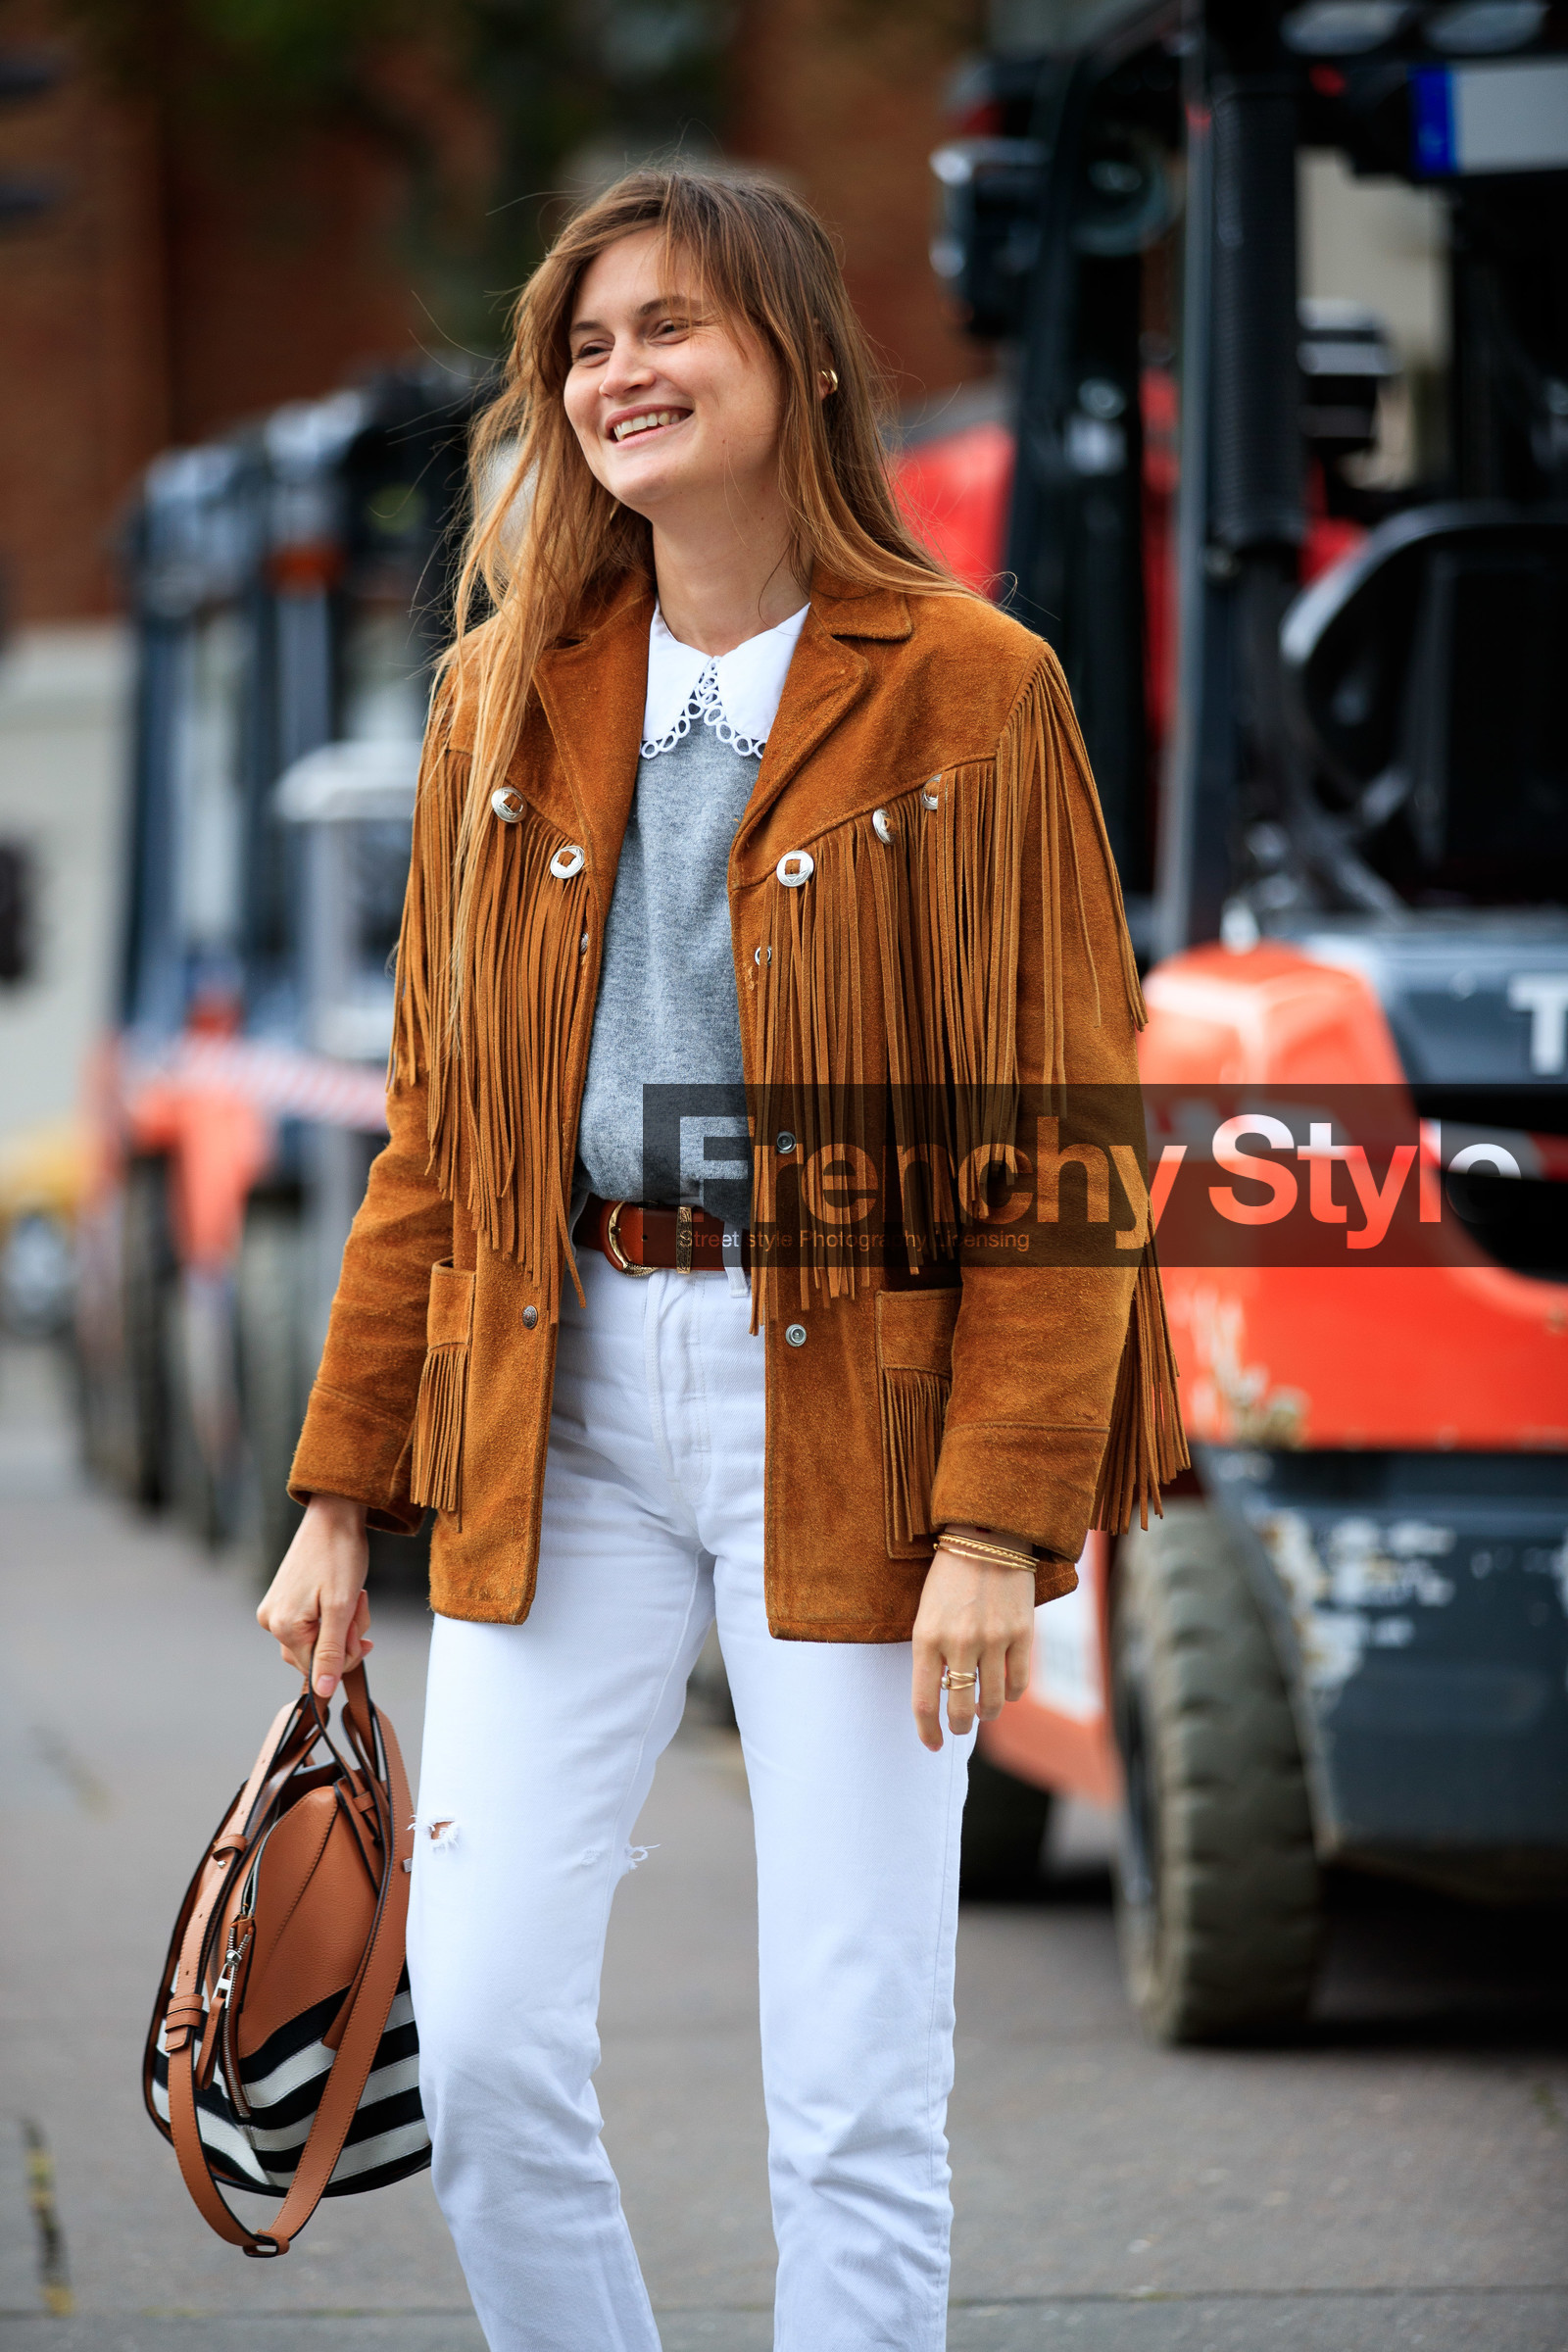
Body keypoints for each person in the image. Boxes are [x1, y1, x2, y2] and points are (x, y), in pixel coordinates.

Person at [258, 168, 1183, 2352]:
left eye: (669, 327)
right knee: (474, 2054)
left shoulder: (971, 691)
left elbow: (1058, 1132)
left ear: (802, 363)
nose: (617, 374)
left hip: (852, 1411)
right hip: (552, 1398)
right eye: (583, 344)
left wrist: (995, 1522)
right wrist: (330, 1488)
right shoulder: (499, 701)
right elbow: (438, 1130)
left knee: (853, 2084)